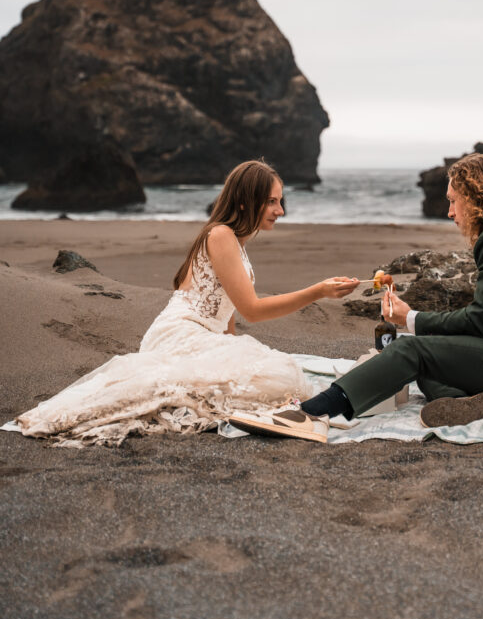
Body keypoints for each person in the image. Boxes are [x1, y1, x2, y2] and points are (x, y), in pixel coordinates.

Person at [229, 152, 483, 442]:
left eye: (453, 200)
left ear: (475, 195)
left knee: (410, 352)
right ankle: (471, 402)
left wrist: (409, 319)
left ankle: (311, 415)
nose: (450, 212)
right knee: (433, 360)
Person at [13, 159, 358, 446]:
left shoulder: (234, 240)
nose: (279, 210)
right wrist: (318, 291)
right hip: (181, 334)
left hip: (202, 335)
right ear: (244, 201)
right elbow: (252, 308)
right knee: (281, 377)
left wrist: (235, 352)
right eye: (271, 201)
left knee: (274, 375)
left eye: (280, 201)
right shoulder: (220, 235)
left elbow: (229, 314)